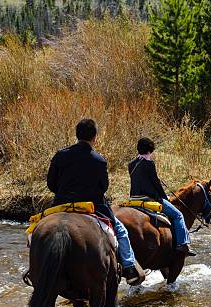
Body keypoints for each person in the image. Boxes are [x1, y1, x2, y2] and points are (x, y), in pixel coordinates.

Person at [47, 119, 145, 286]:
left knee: (37, 232)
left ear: (76, 135)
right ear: (95, 137)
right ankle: (129, 267)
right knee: (121, 232)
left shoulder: (60, 155)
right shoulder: (99, 160)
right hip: (94, 205)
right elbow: (103, 187)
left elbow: (51, 184)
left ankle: (34, 270)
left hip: (61, 204)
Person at [128, 137, 196, 257]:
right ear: (150, 151)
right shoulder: (149, 164)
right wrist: (165, 197)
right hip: (149, 199)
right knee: (178, 215)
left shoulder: (131, 164)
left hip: (133, 199)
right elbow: (156, 184)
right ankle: (183, 244)